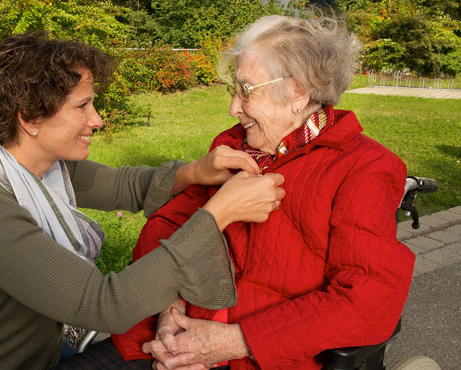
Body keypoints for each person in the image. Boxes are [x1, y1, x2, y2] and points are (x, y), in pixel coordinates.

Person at [0, 31, 286, 370]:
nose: (96, 120)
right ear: (31, 119)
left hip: (47, 354)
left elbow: (128, 187)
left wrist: (196, 170)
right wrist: (216, 214)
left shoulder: (48, 170)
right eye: (82, 106)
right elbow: (104, 305)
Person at [108, 14, 416, 370]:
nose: (233, 108)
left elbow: (366, 300)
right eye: (233, 90)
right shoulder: (232, 148)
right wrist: (168, 310)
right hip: (178, 342)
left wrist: (232, 342)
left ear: (298, 92)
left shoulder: (364, 167)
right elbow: (167, 226)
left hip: (262, 359)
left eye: (246, 90)